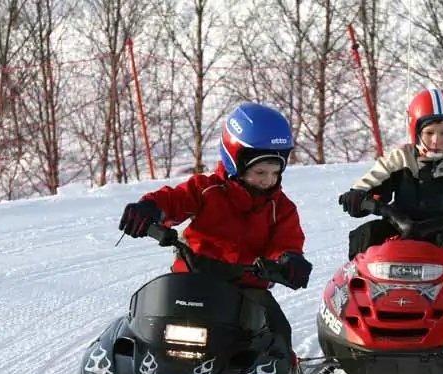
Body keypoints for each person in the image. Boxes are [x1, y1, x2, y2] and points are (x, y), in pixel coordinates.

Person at [117, 101, 312, 349]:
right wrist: (150, 209)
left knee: (276, 331)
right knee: (146, 330)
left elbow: (287, 242)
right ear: (236, 162)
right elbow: (175, 200)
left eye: (275, 173)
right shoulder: (206, 189)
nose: (268, 180)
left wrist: (288, 261)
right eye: (260, 172)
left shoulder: (282, 209)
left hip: (246, 290)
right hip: (191, 281)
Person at [337, 88, 443, 266]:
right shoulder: (402, 157)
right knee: (367, 233)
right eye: (429, 133)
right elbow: (371, 181)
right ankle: (358, 284)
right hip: (401, 225)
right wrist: (358, 196)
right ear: (416, 131)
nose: (436, 140)